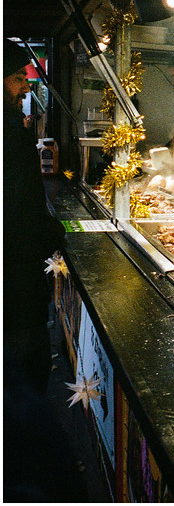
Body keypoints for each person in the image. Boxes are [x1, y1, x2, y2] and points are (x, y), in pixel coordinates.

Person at [3, 39, 66, 394]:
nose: (25, 86)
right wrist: (54, 234)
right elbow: (19, 215)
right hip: (14, 286)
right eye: (16, 77)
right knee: (24, 378)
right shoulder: (9, 137)